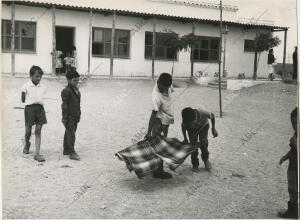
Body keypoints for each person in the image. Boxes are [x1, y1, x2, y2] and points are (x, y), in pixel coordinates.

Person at [145, 73, 174, 179]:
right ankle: (158, 172)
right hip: (159, 122)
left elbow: (171, 88)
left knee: (161, 144)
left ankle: (155, 167)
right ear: (158, 83)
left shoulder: (169, 85)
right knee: (160, 146)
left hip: (167, 121)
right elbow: (153, 115)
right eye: (161, 88)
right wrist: (149, 131)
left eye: (165, 88)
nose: (163, 90)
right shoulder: (156, 97)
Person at [21, 65, 47, 162]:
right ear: (31, 76)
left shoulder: (43, 87)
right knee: (28, 131)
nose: (39, 78)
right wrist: (23, 95)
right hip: (29, 109)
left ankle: (37, 154)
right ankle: (27, 143)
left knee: (38, 131)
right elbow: (23, 100)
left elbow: (41, 98)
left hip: (40, 109)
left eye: (40, 76)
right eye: (36, 76)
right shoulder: (25, 86)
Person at [181, 107, 218, 172]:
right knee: (193, 146)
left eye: (192, 123)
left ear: (195, 118)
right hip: (191, 131)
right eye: (189, 124)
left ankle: (206, 160)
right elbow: (183, 127)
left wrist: (213, 129)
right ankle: (195, 164)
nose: (191, 125)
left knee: (204, 143)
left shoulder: (203, 112)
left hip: (203, 127)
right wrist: (185, 138)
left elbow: (212, 116)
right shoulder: (186, 119)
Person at [278, 107, 298, 218]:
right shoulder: (295, 135)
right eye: (294, 123)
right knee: (292, 189)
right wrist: (285, 157)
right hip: (292, 167)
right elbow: (292, 150)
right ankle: (292, 210)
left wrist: (295, 143)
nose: (296, 126)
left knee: (296, 189)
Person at [61, 70, 81, 160]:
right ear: (68, 80)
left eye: (77, 80)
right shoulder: (66, 91)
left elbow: (78, 103)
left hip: (75, 115)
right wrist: (65, 118)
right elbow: (64, 105)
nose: (77, 82)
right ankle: (72, 152)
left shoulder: (76, 90)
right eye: (74, 80)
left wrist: (79, 114)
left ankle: (66, 149)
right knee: (71, 134)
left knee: (69, 132)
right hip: (69, 116)